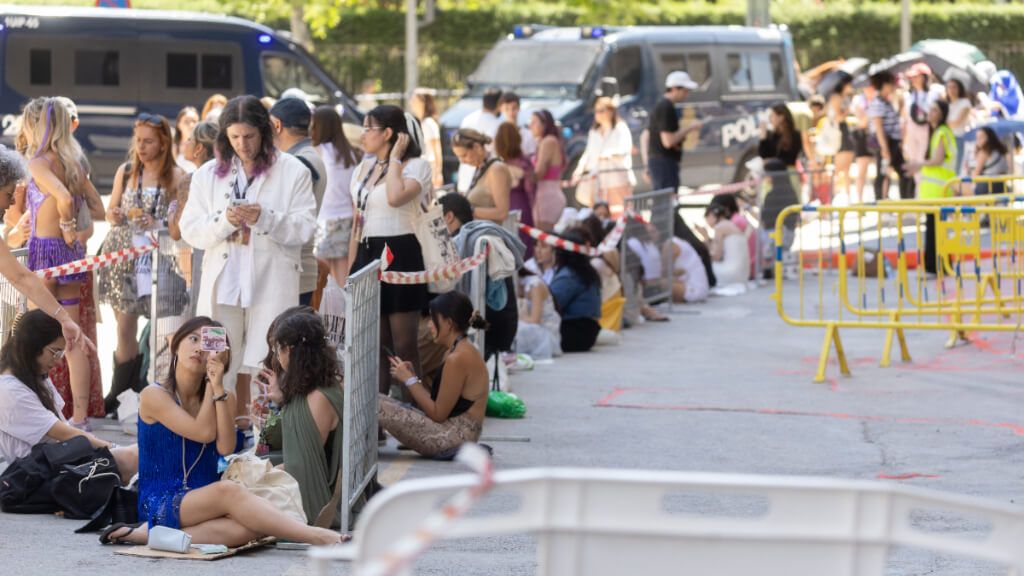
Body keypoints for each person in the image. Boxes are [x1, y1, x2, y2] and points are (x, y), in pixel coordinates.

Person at [99, 317, 344, 547]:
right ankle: (318, 536)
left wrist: (216, 387)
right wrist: (212, 387)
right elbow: (203, 432)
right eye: (193, 339)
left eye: (208, 344)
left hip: (206, 498)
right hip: (162, 500)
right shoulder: (154, 395)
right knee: (232, 494)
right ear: (176, 346)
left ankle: (149, 535)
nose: (199, 349)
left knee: (252, 527)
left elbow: (225, 447)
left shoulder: (223, 397)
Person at [179, 95, 317, 424]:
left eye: (250, 136)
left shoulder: (293, 171)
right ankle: (214, 434)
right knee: (215, 360)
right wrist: (224, 221)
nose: (242, 144)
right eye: (234, 136)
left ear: (266, 132)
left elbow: (305, 228)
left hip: (269, 287)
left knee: (267, 363)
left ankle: (263, 444)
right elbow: (190, 230)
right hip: (222, 288)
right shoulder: (208, 175)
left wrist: (264, 218)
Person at [97, 113, 186, 411]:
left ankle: (156, 388)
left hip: (162, 258)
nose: (142, 147)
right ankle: (120, 390)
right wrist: (116, 215)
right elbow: (111, 210)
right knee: (124, 326)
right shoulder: (126, 171)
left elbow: (179, 222)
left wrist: (157, 221)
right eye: (138, 141)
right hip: (126, 255)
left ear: (163, 143)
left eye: (148, 141)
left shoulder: (177, 176)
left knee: (164, 327)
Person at [346, 104, 431, 397]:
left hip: (401, 250)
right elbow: (357, 219)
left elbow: (395, 197)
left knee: (404, 342)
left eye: (369, 128)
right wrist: (350, 264)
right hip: (368, 251)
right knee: (375, 342)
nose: (364, 134)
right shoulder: (363, 166)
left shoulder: (416, 166)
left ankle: (418, 412)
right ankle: (378, 418)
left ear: (388, 133)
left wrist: (394, 158)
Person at [20, 97, 95, 428]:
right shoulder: (75, 162)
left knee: (33, 335)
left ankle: (36, 411)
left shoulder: (38, 162)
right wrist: (77, 231)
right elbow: (96, 206)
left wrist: (65, 225)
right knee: (72, 337)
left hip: (46, 250)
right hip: (72, 256)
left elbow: (63, 199)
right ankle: (80, 416)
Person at [0, 310, 136, 481]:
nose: (58, 361)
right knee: (136, 456)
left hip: (57, 463)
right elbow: (64, 433)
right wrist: (112, 448)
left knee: (139, 454)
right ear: (32, 346)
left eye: (61, 354)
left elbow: (66, 433)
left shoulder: (34, 375)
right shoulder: (9, 390)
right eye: (55, 352)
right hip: (42, 475)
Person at [382, 291, 489, 458]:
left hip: (452, 438)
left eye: (433, 319)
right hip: (454, 432)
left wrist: (409, 380)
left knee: (375, 404)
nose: (429, 325)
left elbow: (438, 413)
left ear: (448, 323)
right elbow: (438, 405)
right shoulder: (458, 350)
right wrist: (413, 377)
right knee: (377, 399)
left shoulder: (458, 358)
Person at [260, 312, 343, 525]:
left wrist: (263, 476)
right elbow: (267, 444)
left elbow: (301, 468)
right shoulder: (312, 388)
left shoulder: (317, 398)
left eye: (277, 349)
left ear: (289, 350)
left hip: (311, 504)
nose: (276, 357)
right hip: (300, 481)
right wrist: (277, 403)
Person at [270, 97, 328, 306]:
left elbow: (280, 212)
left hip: (292, 268)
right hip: (296, 267)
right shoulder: (309, 155)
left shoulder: (299, 161)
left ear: (276, 125)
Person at [311, 105, 361, 287]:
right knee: (342, 274)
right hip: (347, 217)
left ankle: (324, 315)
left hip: (325, 218)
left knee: (321, 275)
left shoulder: (320, 150)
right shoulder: (351, 153)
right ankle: (344, 314)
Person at [904, 100, 955, 275]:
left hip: (938, 191)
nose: (930, 113)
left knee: (936, 230)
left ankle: (938, 266)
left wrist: (918, 164)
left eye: (934, 110)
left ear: (942, 113)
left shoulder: (941, 132)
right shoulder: (936, 132)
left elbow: (938, 160)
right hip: (935, 190)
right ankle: (937, 265)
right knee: (935, 229)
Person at [758, 102, 802, 275]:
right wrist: (763, 137)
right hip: (773, 174)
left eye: (773, 116)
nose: (771, 120)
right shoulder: (770, 135)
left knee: (786, 208)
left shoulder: (794, 135)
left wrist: (774, 164)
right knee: (771, 206)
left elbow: (788, 155)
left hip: (786, 174)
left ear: (781, 117)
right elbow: (764, 155)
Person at [573, 97, 634, 214]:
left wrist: (608, 155)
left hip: (616, 178)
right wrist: (579, 169)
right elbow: (588, 153)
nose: (598, 114)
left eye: (602, 111)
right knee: (598, 213)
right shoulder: (594, 132)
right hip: (597, 180)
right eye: (596, 111)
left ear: (611, 111)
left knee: (619, 211)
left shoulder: (620, 128)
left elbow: (624, 149)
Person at [647, 71, 703, 192]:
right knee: (666, 203)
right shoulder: (665, 107)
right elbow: (668, 141)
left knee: (665, 201)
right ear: (674, 89)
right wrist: (690, 128)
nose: (686, 95)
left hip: (662, 162)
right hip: (664, 163)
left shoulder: (664, 106)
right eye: (685, 91)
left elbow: (646, 135)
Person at [550, 229, 602, 352]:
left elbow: (551, 304)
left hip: (574, 333)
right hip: (587, 333)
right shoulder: (586, 272)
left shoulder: (569, 275)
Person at [451, 128, 511, 224]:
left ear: (477, 147)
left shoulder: (496, 169)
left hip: (490, 235)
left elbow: (502, 213)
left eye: (464, 155)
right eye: (459, 157)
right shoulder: (481, 168)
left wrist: (465, 209)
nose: (462, 161)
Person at [494, 123, 536, 257]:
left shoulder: (495, 165)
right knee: (525, 249)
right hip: (523, 208)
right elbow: (531, 190)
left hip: (500, 210)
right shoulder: (524, 163)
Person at [868, 71, 911, 200]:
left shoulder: (886, 101)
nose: (893, 86)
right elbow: (879, 128)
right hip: (887, 143)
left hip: (893, 142)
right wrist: (884, 148)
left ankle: (905, 202)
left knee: (903, 173)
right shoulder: (878, 103)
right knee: (883, 174)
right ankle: (880, 203)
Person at [457, 88, 503, 193]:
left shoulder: (468, 119)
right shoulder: (499, 124)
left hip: (464, 181)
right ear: (500, 103)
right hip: (485, 186)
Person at [529, 110, 566, 231]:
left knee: (543, 243)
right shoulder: (544, 141)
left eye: (534, 122)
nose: (530, 126)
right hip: (545, 197)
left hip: (546, 199)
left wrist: (520, 172)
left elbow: (539, 173)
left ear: (544, 125)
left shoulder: (548, 141)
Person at [697, 203, 750, 287]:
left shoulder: (720, 228)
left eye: (706, 217)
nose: (706, 221)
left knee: (700, 266)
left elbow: (715, 257)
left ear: (711, 215)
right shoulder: (729, 225)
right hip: (743, 274)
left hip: (731, 274)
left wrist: (706, 237)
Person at [515, 269, 561, 360]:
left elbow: (535, 320)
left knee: (517, 328)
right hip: (539, 331)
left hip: (546, 336)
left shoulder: (535, 285)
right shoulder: (525, 286)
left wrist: (520, 317)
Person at [903, 64, 934, 197]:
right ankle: (918, 194)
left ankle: (923, 194)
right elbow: (905, 117)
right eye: (913, 77)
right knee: (913, 162)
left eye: (917, 76)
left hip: (926, 130)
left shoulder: (933, 94)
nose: (914, 80)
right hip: (911, 130)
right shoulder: (908, 96)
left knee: (922, 162)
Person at [411, 88, 444, 190]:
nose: (411, 103)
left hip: (429, 169)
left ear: (423, 102)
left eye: (414, 100)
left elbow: (437, 150)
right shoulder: (420, 123)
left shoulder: (428, 123)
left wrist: (438, 173)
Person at [850, 84, 877, 203]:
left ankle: (878, 198)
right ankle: (860, 200)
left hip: (875, 137)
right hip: (863, 139)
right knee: (862, 170)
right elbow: (862, 122)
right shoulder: (858, 101)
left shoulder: (878, 100)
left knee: (880, 170)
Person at [945, 77, 974, 172]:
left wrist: (944, 123)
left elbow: (956, 123)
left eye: (954, 87)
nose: (952, 90)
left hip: (957, 138)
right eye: (949, 87)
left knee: (955, 169)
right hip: (945, 139)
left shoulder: (965, 103)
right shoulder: (947, 104)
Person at [971, 126, 1009, 195]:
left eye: (981, 137)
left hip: (986, 186)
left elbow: (976, 173)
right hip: (1002, 186)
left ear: (989, 138)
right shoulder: (1000, 151)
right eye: (977, 138)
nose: (978, 140)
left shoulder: (984, 151)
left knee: (956, 185)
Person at [498, 91, 537, 157]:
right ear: (501, 109)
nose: (511, 112)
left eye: (514, 108)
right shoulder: (497, 133)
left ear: (519, 108)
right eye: (506, 109)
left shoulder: (528, 134)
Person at [173, 106, 200, 172]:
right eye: (186, 121)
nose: (191, 125)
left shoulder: (202, 147)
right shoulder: (173, 147)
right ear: (178, 124)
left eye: (194, 121)